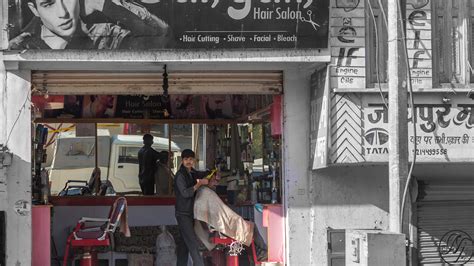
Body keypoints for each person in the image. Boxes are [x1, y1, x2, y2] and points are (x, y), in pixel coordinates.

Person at [9, 0, 171, 50]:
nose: (63, 12)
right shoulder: (20, 47)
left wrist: (102, 3)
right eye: (49, 4)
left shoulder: (105, 36)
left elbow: (162, 35)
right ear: (34, 9)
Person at [174, 149, 208, 266]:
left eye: (191, 159)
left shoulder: (191, 172)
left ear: (194, 160)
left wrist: (212, 172)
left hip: (190, 212)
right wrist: (198, 185)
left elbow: (201, 174)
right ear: (182, 161)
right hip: (183, 213)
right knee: (193, 243)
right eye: (186, 159)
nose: (189, 161)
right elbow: (185, 193)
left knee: (184, 244)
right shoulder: (180, 175)